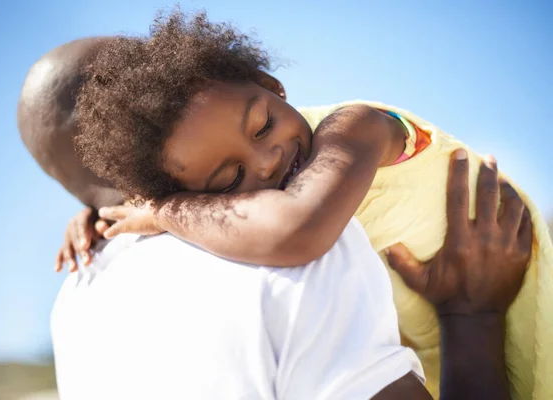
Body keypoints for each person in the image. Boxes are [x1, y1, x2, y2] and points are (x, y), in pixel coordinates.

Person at [67, 10, 552, 399]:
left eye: (262, 126)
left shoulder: (355, 127)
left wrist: (163, 213)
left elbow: (297, 230)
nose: (268, 160)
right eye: (230, 177)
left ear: (271, 85)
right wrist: (95, 215)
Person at [51, 148, 531, 399]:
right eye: (229, 175)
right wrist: (474, 315)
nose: (268, 166)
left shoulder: (75, 297)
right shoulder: (302, 238)